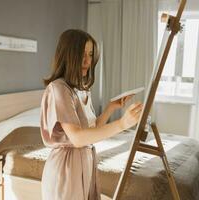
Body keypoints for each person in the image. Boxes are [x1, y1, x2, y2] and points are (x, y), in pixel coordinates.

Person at [40, 29, 143, 200]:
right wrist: (121, 124)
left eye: (90, 54)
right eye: (82, 54)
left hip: (85, 162)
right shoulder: (59, 89)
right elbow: (78, 138)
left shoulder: (81, 89)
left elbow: (91, 130)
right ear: (68, 55)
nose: (87, 61)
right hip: (66, 168)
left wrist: (111, 108)